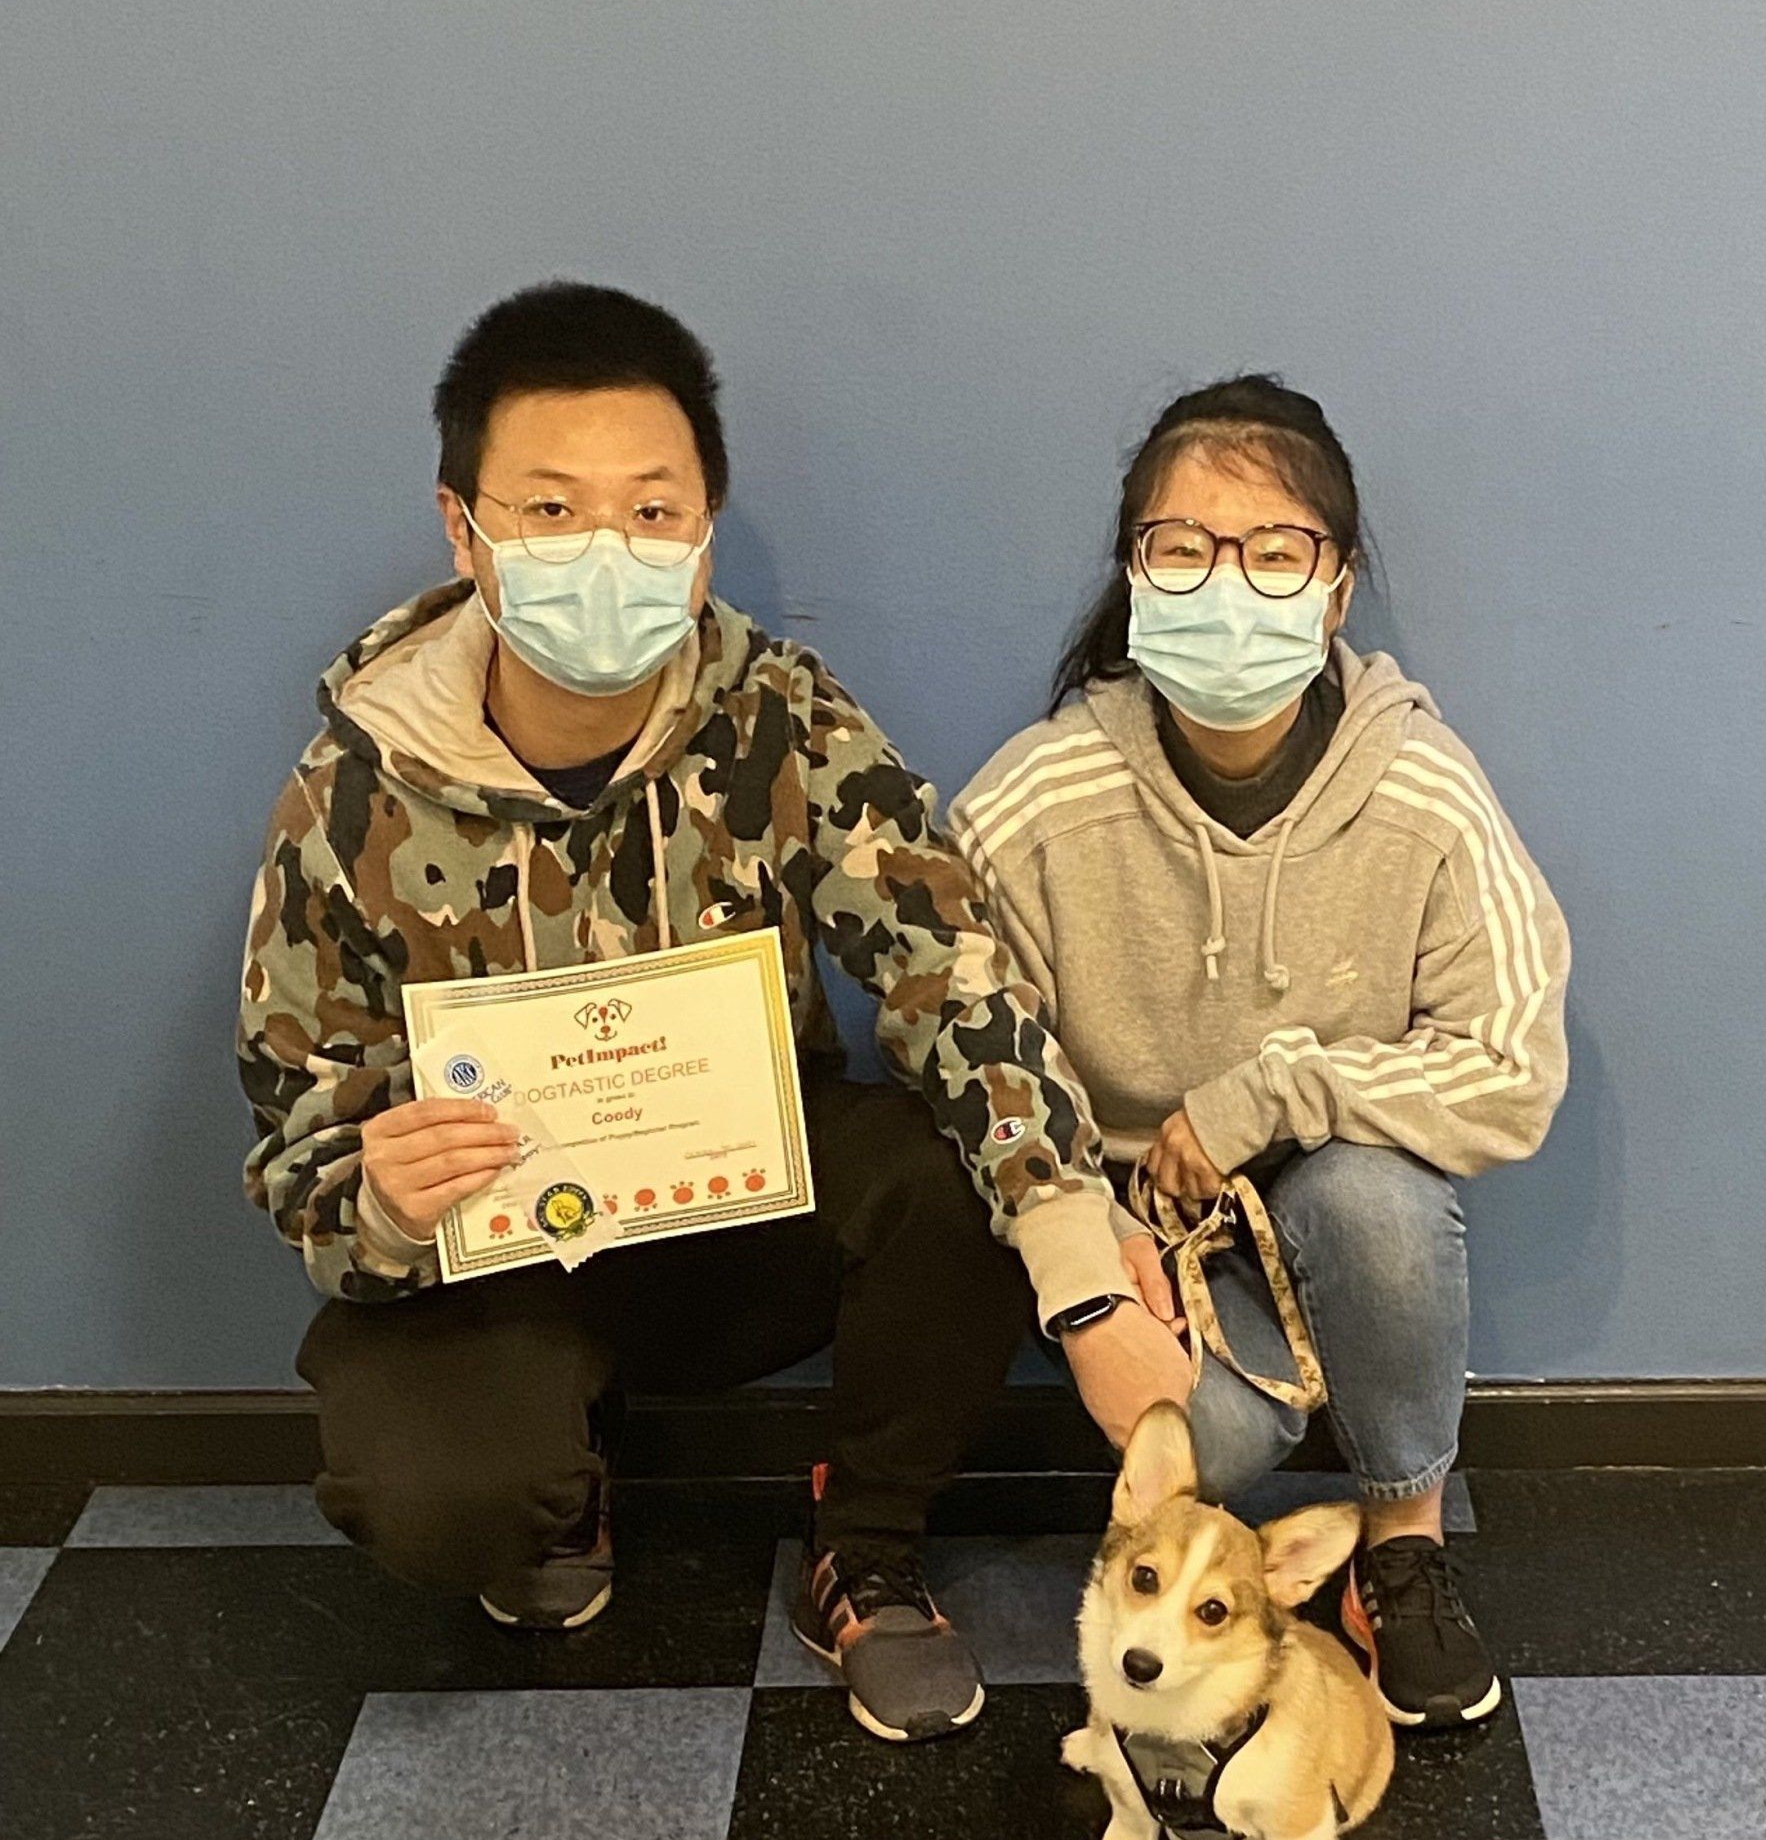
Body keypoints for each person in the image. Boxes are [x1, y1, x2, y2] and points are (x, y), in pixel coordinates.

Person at [238, 282, 1136, 1743]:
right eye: (550, 510)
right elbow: (292, 1118)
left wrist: (1076, 1258)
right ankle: (555, 1479)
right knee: (435, 1497)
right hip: (495, 1262)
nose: (608, 551)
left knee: (956, 1169)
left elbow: (953, 974)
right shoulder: (351, 782)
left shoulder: (781, 718)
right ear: (464, 529)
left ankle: (866, 1547)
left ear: (705, 524)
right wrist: (382, 1203)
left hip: (737, 1221)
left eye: (652, 512)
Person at [953, 377, 1570, 1730]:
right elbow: (961, 1038)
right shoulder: (1039, 795)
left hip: (1335, 1198)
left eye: (1275, 551)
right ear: (1134, 576)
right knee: (1213, 1446)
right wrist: (1089, 1258)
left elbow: (1513, 1059)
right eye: (1184, 548)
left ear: (1337, 587)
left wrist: (1268, 1097)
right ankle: (1199, 1548)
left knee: (1375, 1194)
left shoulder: (1424, 787)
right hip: (1148, 1235)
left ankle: (1402, 1547)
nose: (1228, 585)